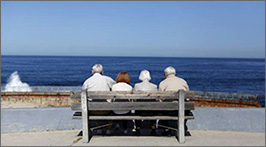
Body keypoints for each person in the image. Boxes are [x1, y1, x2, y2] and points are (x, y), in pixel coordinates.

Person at [82, 64, 116, 135]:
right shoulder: (107, 79)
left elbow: (83, 92)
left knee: (95, 103)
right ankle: (108, 129)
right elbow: (115, 87)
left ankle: (99, 128)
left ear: (92, 72)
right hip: (106, 109)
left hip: (93, 109)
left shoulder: (88, 81)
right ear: (102, 72)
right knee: (110, 105)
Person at [159, 66, 191, 136]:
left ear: (166, 74)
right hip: (183, 109)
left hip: (169, 110)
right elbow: (188, 95)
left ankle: (166, 130)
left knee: (162, 109)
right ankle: (182, 127)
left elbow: (161, 98)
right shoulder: (183, 81)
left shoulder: (163, 83)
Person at [134, 70, 157, 135]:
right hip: (151, 110)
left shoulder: (137, 86)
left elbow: (135, 98)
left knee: (137, 109)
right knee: (153, 107)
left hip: (140, 110)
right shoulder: (154, 86)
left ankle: (138, 129)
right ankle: (153, 129)